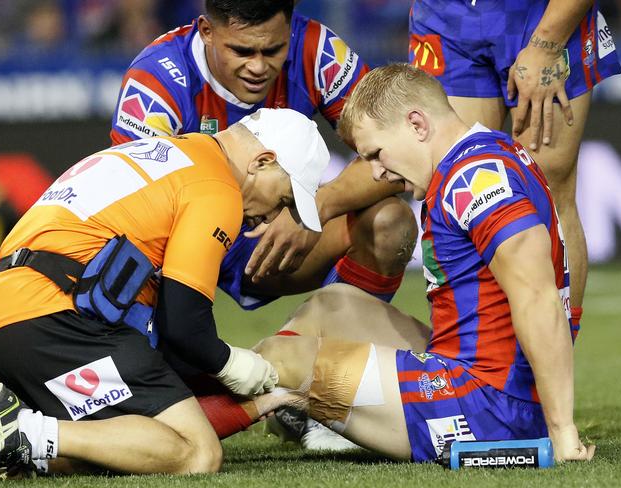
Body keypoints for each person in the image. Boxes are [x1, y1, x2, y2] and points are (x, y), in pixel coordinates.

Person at [199, 63, 595, 463]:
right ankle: (292, 407)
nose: (376, 172)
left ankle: (179, 433)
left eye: (376, 153)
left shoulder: (476, 180)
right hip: (488, 375)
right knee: (331, 304)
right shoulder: (488, 154)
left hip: (489, 407)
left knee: (282, 359)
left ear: (417, 124)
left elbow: (538, 296)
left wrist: (562, 432)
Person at [0, 107, 330, 476]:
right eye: (283, 199)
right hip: (56, 317)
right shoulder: (216, 185)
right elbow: (183, 325)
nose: (271, 217)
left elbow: (167, 348)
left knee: (121, 446)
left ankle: (23, 446)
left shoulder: (167, 155)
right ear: (262, 162)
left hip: (15, 312)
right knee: (196, 453)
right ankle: (22, 433)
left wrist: (255, 393)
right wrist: (229, 363)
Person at [111, 0, 418, 311]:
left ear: (291, 29)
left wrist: (314, 209)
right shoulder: (155, 82)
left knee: (390, 222)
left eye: (273, 50)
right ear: (206, 31)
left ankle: (329, 345)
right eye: (242, 51)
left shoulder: (317, 50)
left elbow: (404, 153)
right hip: (182, 240)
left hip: (272, 237)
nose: (258, 67)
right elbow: (133, 212)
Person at [408, 0, 621, 334]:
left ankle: (552, 363)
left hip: (540, 14)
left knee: (547, 190)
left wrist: (546, 44)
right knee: (450, 182)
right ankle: (467, 354)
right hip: (447, 15)